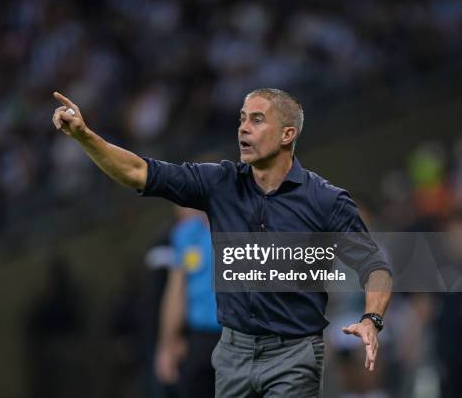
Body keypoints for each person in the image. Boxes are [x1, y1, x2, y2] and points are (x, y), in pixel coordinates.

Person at [51, 88, 393, 397]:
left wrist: (371, 319)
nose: (243, 128)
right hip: (232, 352)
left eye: (257, 120)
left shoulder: (326, 200)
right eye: (242, 118)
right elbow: (138, 172)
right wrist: (85, 137)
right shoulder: (219, 183)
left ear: (288, 134)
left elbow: (374, 267)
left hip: (293, 352)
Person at [155, 206, 221, 398]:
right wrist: (168, 343)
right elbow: (176, 293)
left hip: (239, 339)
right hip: (200, 340)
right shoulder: (186, 234)